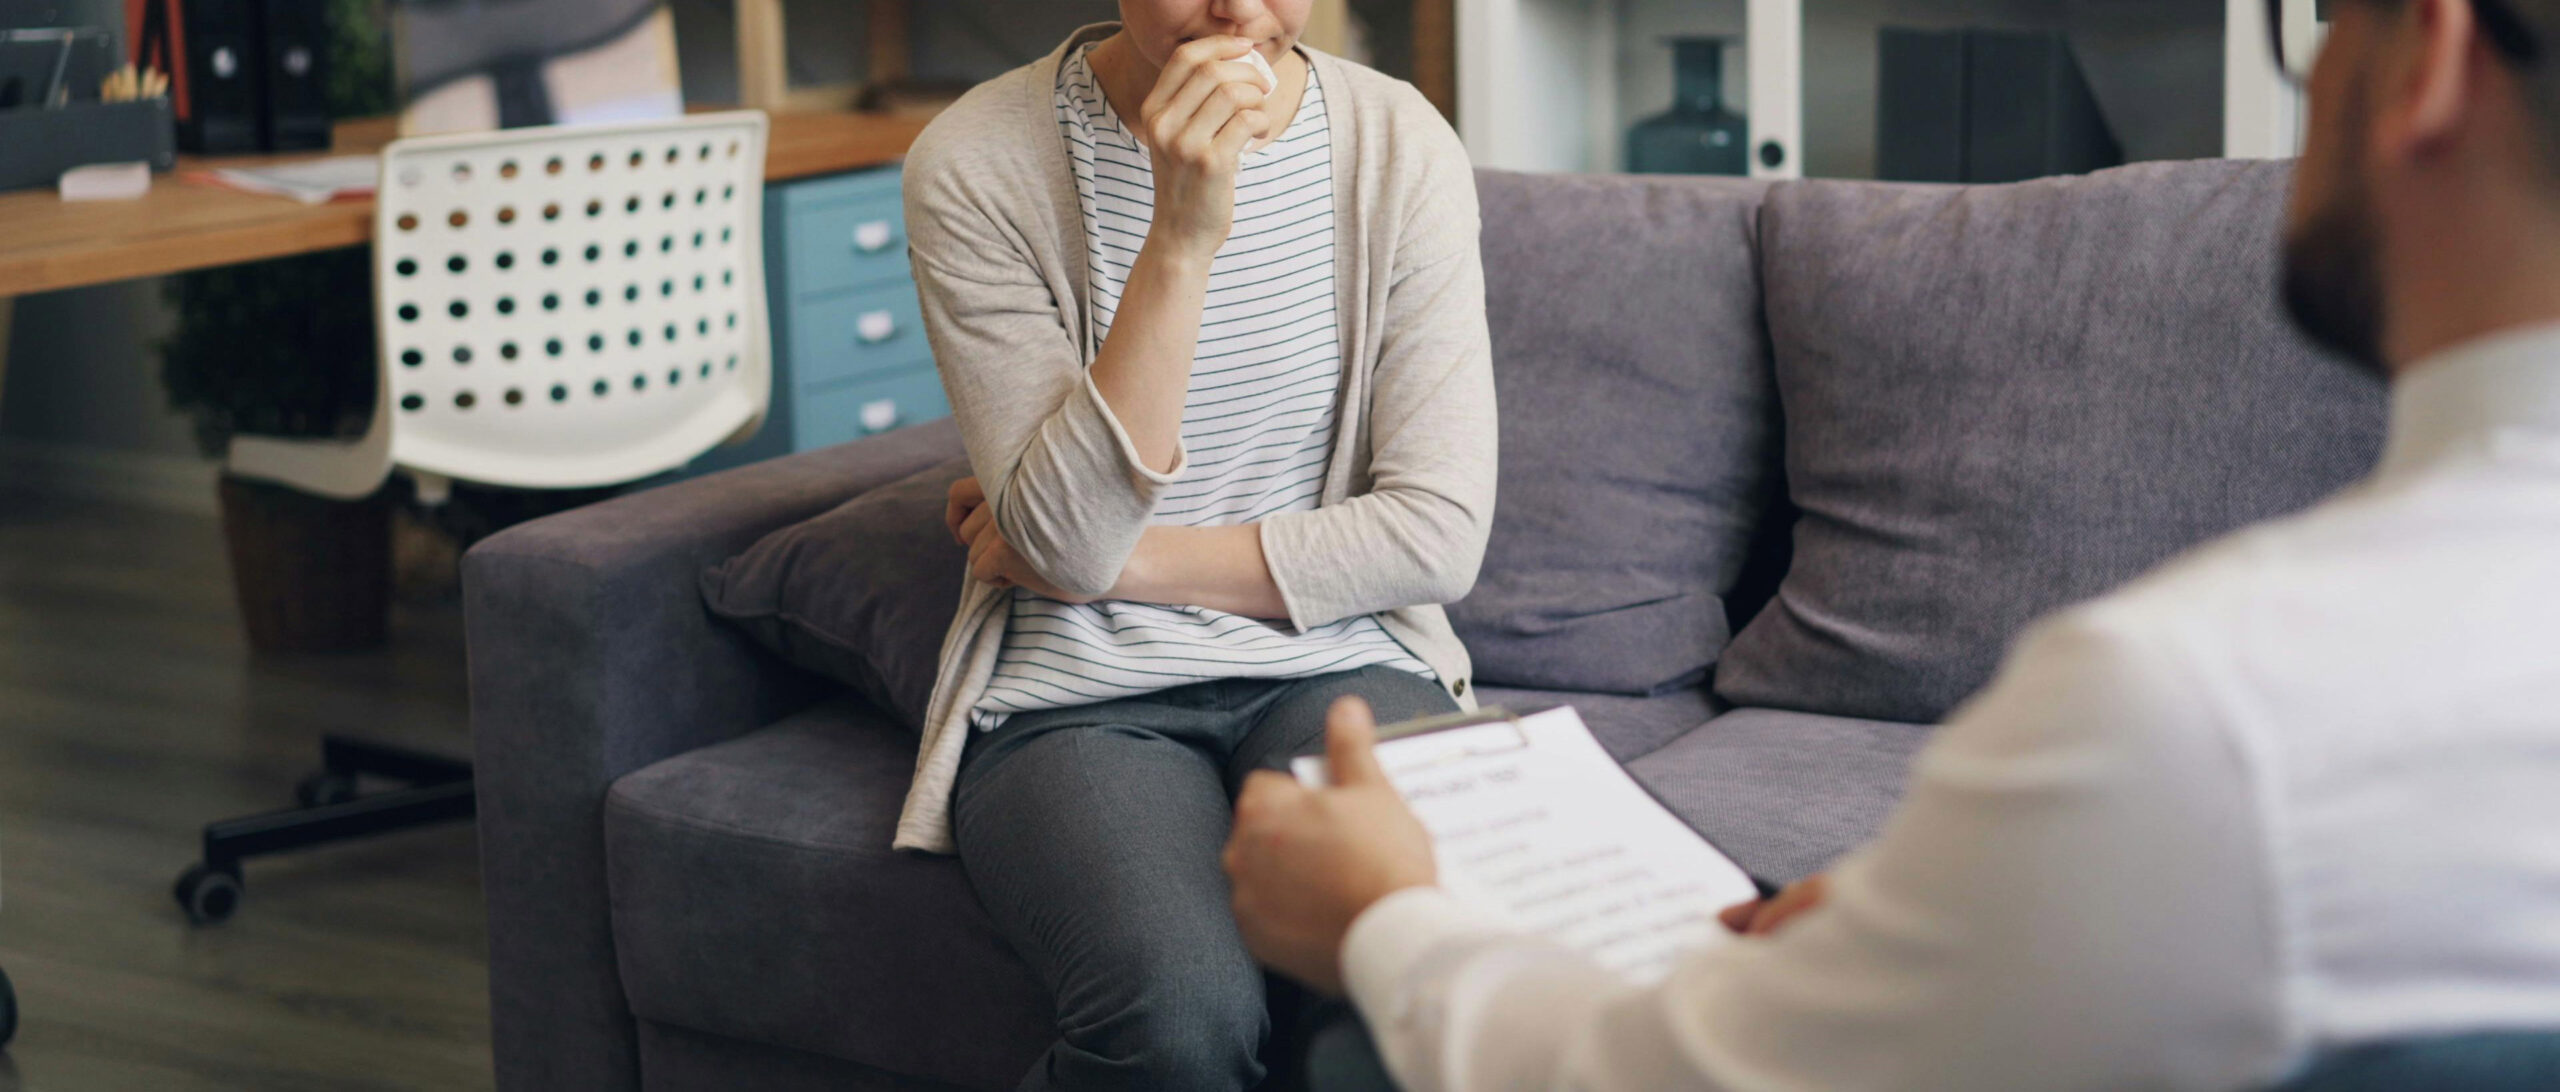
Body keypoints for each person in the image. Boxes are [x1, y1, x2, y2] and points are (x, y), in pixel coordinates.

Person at [1223, 0, 2560, 1088]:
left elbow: (1659, 1074)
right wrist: (1955, 912)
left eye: (2317, 22)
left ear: (2424, 61)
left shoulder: (2198, 707)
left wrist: (1384, 917)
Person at [895, 1, 1496, 1088]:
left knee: (1420, 970)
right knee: (1179, 1015)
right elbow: (1068, 540)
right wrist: (1181, 234)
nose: (1237, 10)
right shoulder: (977, 159)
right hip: (1079, 695)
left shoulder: (1400, 143)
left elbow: (1436, 533)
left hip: (1340, 660)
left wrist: (1128, 565)